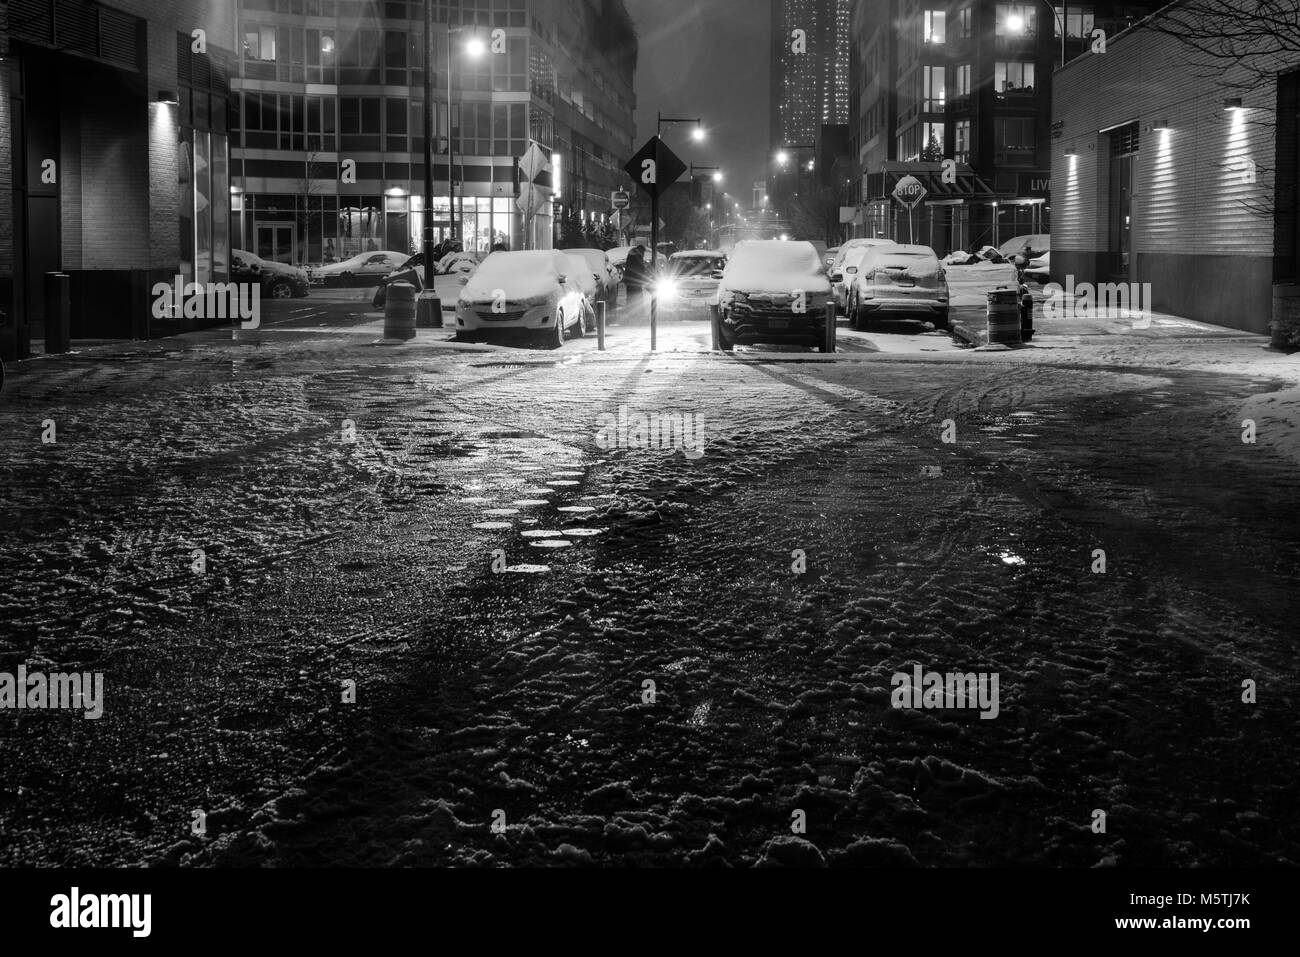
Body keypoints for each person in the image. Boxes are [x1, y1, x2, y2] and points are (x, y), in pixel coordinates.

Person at [623, 245, 648, 313]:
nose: (644, 254)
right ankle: (638, 312)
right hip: (636, 280)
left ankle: (630, 312)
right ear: (641, 250)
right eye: (643, 252)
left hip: (629, 280)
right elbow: (640, 269)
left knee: (630, 296)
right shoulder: (637, 256)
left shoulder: (631, 254)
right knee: (637, 296)